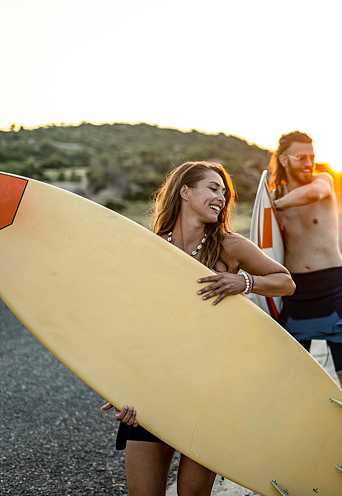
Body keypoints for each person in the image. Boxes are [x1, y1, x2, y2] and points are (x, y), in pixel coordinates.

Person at [101, 161, 295, 496]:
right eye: (213, 188)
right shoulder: (150, 247)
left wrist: (244, 282)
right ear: (185, 192)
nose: (222, 197)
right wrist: (119, 388)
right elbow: (130, 325)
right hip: (156, 387)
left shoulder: (230, 246)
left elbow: (285, 282)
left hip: (210, 391)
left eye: (224, 193)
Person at [270, 131, 342, 416]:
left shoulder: (323, 181)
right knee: (293, 377)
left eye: (312, 157)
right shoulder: (272, 195)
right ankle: (300, 433)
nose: (309, 163)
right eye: (301, 157)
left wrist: (274, 206)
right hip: (295, 293)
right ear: (284, 160)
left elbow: (312, 194)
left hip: (332, 288)